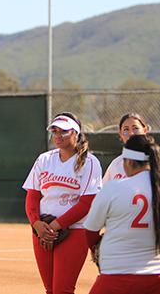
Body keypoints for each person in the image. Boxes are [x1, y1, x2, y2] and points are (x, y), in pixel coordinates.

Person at [84, 135, 160, 294]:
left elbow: (90, 231)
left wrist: (96, 248)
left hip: (118, 274)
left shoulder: (113, 188)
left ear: (129, 162)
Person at [23, 112, 102, 294]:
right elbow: (33, 195)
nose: (58, 135)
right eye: (55, 131)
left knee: (62, 290)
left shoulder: (89, 162)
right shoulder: (44, 159)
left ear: (76, 133)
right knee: (50, 289)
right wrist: (36, 224)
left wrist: (55, 226)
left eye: (63, 132)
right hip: (43, 228)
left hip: (75, 230)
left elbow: (87, 202)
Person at [102, 113, 160, 184]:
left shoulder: (158, 155)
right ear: (120, 134)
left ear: (145, 130)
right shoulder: (116, 164)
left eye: (135, 128)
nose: (131, 133)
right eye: (126, 130)